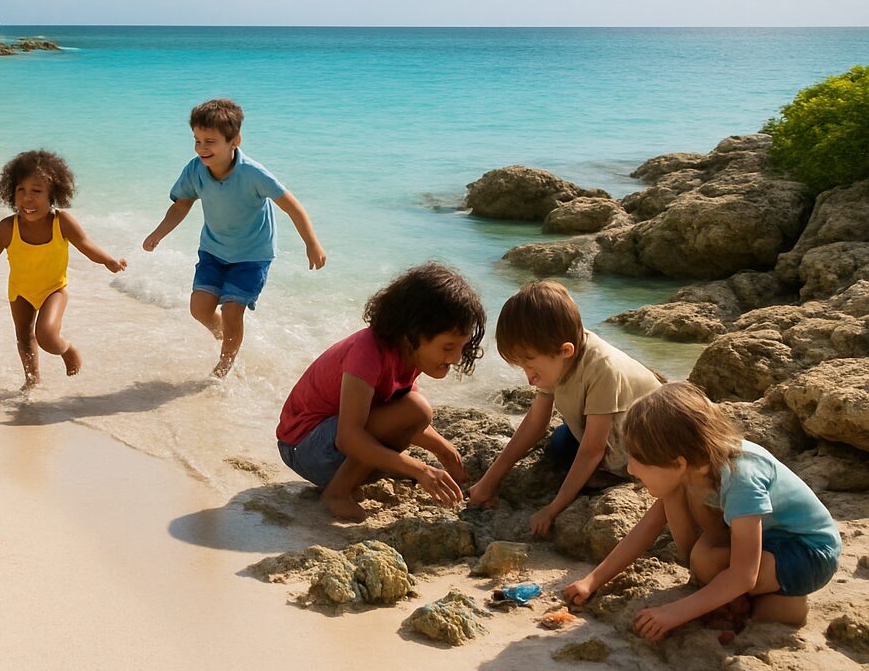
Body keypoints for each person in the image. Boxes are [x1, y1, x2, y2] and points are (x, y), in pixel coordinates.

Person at [564, 382, 842, 641]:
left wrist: (676, 612)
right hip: (763, 539)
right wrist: (592, 580)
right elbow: (645, 530)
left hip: (808, 550)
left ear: (678, 462)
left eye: (638, 459)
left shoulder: (740, 476)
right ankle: (746, 593)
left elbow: (745, 574)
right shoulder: (693, 467)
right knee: (703, 559)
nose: (630, 469)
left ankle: (783, 600)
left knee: (764, 613)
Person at [276, 262, 485, 520]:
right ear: (412, 333)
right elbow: (348, 438)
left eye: (462, 347)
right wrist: (421, 470)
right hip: (303, 448)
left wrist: (445, 452)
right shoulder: (367, 351)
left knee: (415, 410)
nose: (455, 358)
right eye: (447, 347)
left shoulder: (406, 355)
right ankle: (336, 494)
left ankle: (343, 485)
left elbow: (402, 419)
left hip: (324, 447)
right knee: (416, 409)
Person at [142, 98, 326, 377]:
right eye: (197, 140)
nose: (202, 148)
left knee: (232, 311)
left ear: (234, 140)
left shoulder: (253, 174)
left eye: (210, 141)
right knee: (199, 309)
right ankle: (228, 339)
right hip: (214, 251)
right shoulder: (195, 170)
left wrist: (311, 243)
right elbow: (181, 205)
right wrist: (158, 233)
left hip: (252, 256)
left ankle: (224, 366)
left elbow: (292, 206)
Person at [469, 280, 663, 535]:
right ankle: (597, 476)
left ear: (565, 351)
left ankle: (615, 478)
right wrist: (489, 481)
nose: (529, 378)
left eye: (532, 367)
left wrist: (553, 508)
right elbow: (535, 423)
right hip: (601, 434)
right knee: (559, 444)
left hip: (645, 447)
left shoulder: (603, 368)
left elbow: (593, 449)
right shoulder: (557, 357)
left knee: (579, 452)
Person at [0, 150, 128, 389]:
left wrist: (108, 261)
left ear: (53, 194)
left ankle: (66, 349)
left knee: (47, 336)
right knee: (24, 338)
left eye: (36, 191)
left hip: (54, 290)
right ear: (11, 193)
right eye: (21, 191)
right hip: (20, 291)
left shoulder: (62, 221)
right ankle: (32, 379)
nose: (27, 199)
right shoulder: (8, 227)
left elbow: (86, 244)